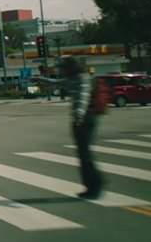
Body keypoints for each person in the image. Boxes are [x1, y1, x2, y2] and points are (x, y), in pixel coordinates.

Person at [35, 57, 104, 198]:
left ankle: (95, 185)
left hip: (85, 120)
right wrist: (40, 80)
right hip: (80, 120)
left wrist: (78, 116)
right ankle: (91, 185)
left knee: (85, 155)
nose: (61, 70)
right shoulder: (72, 79)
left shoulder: (82, 79)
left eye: (63, 68)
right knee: (83, 154)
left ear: (71, 68)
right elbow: (57, 83)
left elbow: (83, 98)